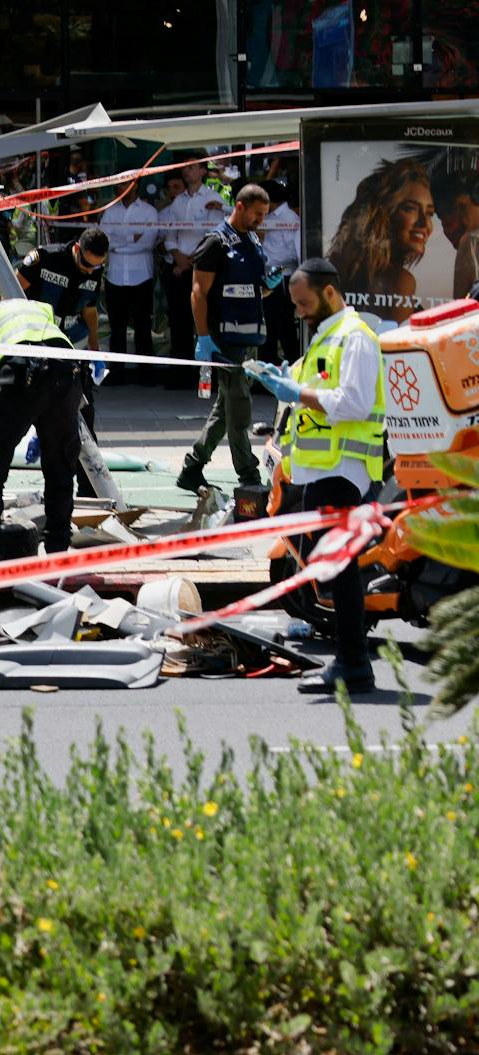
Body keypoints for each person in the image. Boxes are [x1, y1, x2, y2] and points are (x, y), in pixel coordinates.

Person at [246, 257, 385, 695]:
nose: (299, 312)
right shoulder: (327, 337)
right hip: (322, 473)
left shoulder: (356, 338)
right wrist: (282, 380)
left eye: (305, 303)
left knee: (337, 569)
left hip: (344, 471)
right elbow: (312, 391)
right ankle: (351, 663)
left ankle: (353, 666)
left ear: (329, 292)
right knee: (329, 567)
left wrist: (297, 391)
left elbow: (355, 403)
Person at [0, 299, 81, 563]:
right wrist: (45, 419)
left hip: (22, 368)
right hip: (67, 370)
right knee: (60, 466)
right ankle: (58, 555)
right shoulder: (40, 308)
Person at [177, 184, 275, 493]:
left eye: (265, 215)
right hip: (223, 339)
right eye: (258, 213)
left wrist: (270, 285)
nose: (261, 219)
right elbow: (198, 292)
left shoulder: (251, 240)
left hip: (245, 338)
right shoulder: (215, 243)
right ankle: (249, 475)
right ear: (241, 206)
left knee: (226, 407)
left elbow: (253, 290)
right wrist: (204, 338)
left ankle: (193, 466)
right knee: (239, 407)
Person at [15, 226, 107, 495]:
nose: (91, 271)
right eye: (87, 264)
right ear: (77, 249)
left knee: (84, 419)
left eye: (97, 266)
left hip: (74, 348)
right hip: (39, 345)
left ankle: (89, 492)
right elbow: (12, 291)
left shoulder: (95, 268)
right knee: (27, 413)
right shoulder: (44, 259)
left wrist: (94, 345)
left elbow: (89, 309)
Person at [326, 157, 435, 325]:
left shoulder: (342, 269)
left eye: (429, 213)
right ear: (381, 213)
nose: (424, 223)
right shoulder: (398, 280)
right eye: (410, 208)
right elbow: (397, 347)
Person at [162, 161, 227, 364]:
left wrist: (192, 260)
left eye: (191, 167)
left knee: (208, 321)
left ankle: (212, 372)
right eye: (184, 168)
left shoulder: (213, 198)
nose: (186, 171)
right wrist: (179, 258)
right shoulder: (178, 202)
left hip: (205, 269)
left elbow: (216, 235)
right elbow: (170, 235)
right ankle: (182, 373)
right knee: (179, 320)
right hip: (180, 267)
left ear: (202, 171)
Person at [98, 182, 161, 379]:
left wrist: (119, 243)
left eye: (127, 184)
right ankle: (116, 372)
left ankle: (146, 373)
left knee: (143, 325)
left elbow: (148, 243)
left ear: (136, 186)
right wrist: (131, 238)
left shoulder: (149, 212)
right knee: (117, 326)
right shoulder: (110, 212)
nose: (122, 187)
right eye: (120, 184)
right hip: (115, 275)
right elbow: (104, 241)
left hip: (141, 275)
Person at [259, 181, 302, 366]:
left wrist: (271, 262)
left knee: (284, 327)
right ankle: (266, 371)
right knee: (266, 326)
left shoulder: (289, 218)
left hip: (282, 278)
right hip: (267, 277)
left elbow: (294, 253)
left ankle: (294, 368)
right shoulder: (268, 218)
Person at [431, 170, 479, 299]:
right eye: (443, 223)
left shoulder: (471, 240)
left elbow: (459, 307)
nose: (448, 232)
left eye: (448, 222)